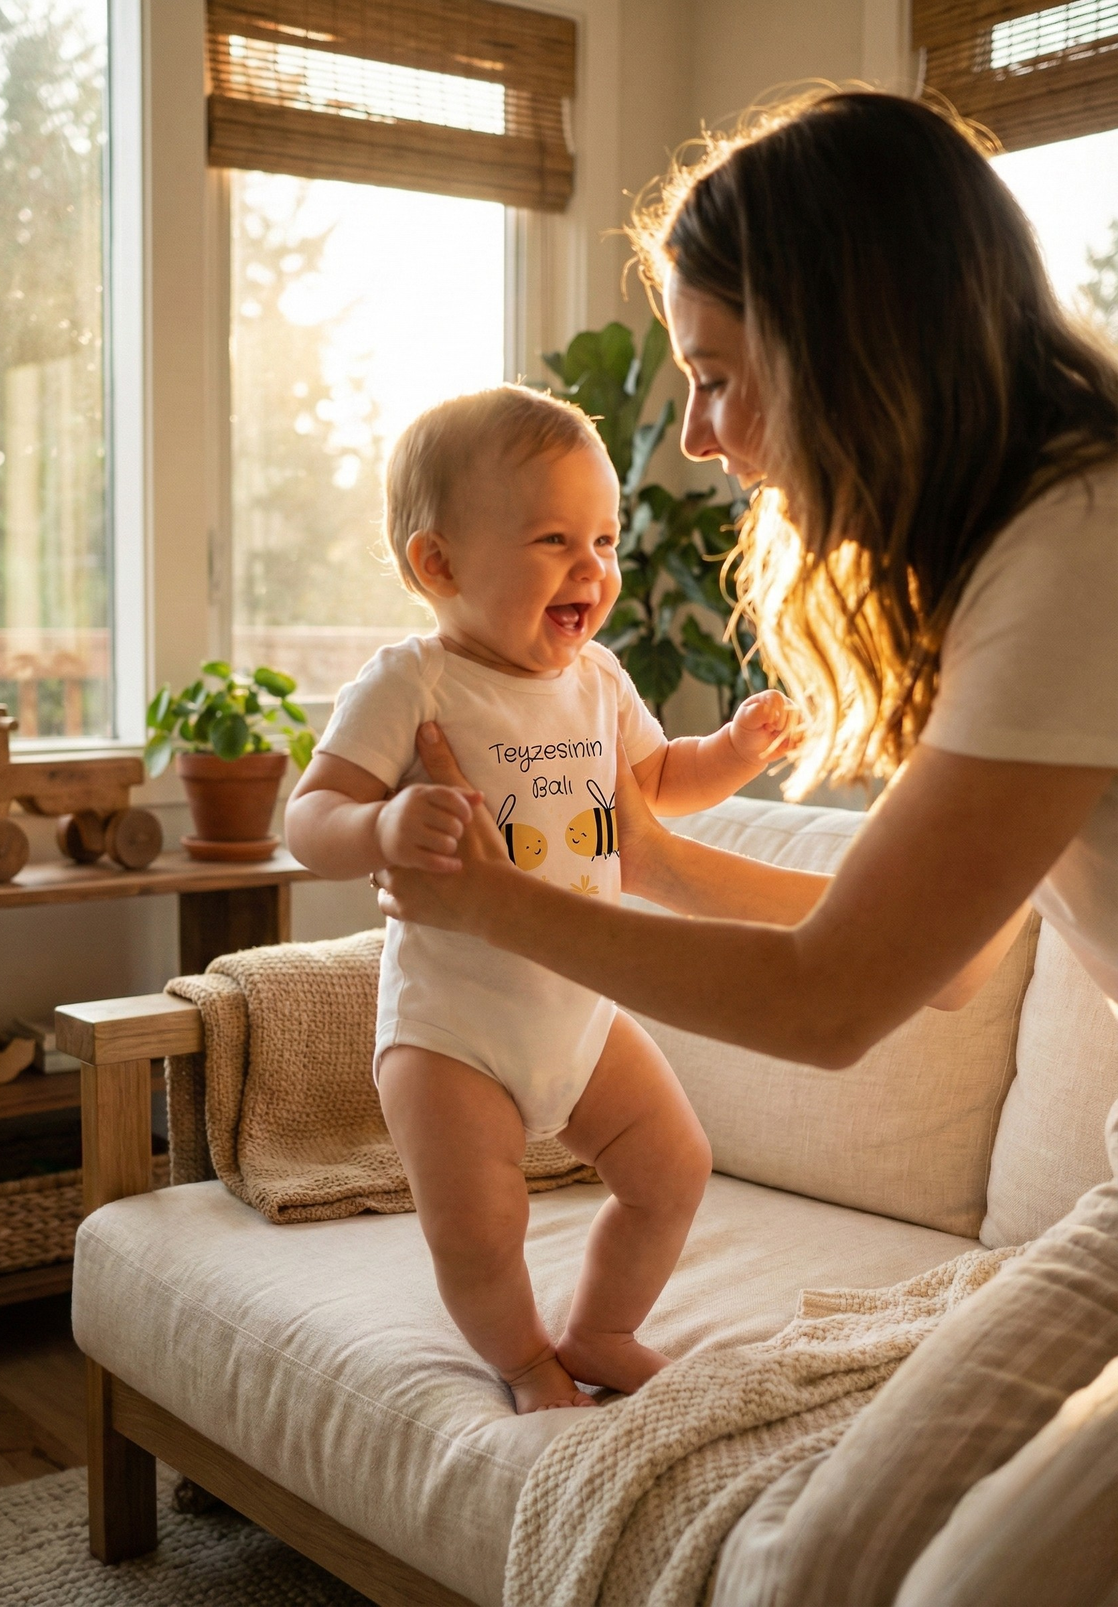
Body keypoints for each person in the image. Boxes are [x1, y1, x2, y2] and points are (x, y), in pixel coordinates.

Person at [372, 89, 1118, 1602]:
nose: (699, 436)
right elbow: (959, 964)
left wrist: (500, 902)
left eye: (716, 374)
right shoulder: (1004, 554)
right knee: (819, 1559)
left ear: (852, 336)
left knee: (959, 1583)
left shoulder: (1081, 546)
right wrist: (640, 853)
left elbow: (831, 1001)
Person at [284, 385, 796, 1413]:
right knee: (481, 1222)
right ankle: (523, 1357)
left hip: (580, 1012)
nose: (593, 568)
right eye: (555, 538)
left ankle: (603, 1328)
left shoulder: (598, 678)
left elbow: (654, 789)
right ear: (440, 565)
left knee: (673, 1166)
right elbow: (310, 815)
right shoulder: (411, 683)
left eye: (605, 540)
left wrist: (732, 754)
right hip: (450, 1031)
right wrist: (381, 827)